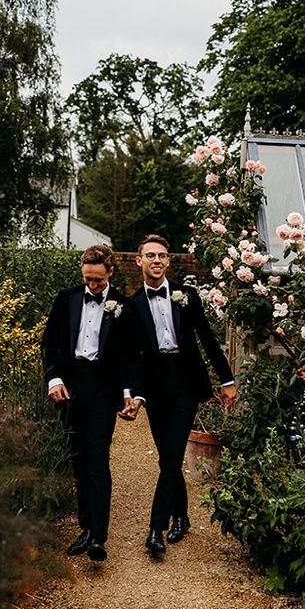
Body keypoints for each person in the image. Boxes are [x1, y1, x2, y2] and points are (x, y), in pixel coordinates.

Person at [122, 234, 236, 555]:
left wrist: (226, 379)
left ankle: (155, 529)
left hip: (186, 383)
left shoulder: (188, 296)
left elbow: (208, 340)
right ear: (139, 261)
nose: (156, 261)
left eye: (162, 255)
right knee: (168, 459)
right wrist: (131, 393)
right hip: (155, 388)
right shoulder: (132, 306)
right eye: (150, 255)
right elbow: (131, 358)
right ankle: (182, 517)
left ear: (168, 261)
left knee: (170, 457)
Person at [41, 244, 141, 562]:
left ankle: (98, 536)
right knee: (78, 460)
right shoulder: (67, 298)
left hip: (102, 389)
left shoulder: (124, 306)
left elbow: (131, 356)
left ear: (110, 272)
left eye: (98, 280)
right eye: (88, 279)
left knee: (97, 460)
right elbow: (50, 344)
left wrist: (129, 393)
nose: (92, 286)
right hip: (71, 388)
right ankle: (85, 528)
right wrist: (53, 379)